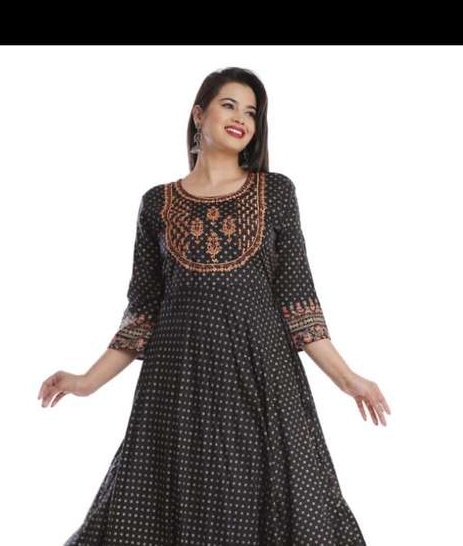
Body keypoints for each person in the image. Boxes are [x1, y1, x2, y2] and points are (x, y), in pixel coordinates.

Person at [38, 66, 390, 544]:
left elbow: (298, 302)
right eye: (229, 105)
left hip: (260, 381)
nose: (241, 118)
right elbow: (142, 315)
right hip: (176, 387)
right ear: (198, 114)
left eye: (252, 112)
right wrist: (86, 381)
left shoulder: (276, 193)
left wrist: (349, 379)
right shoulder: (157, 204)